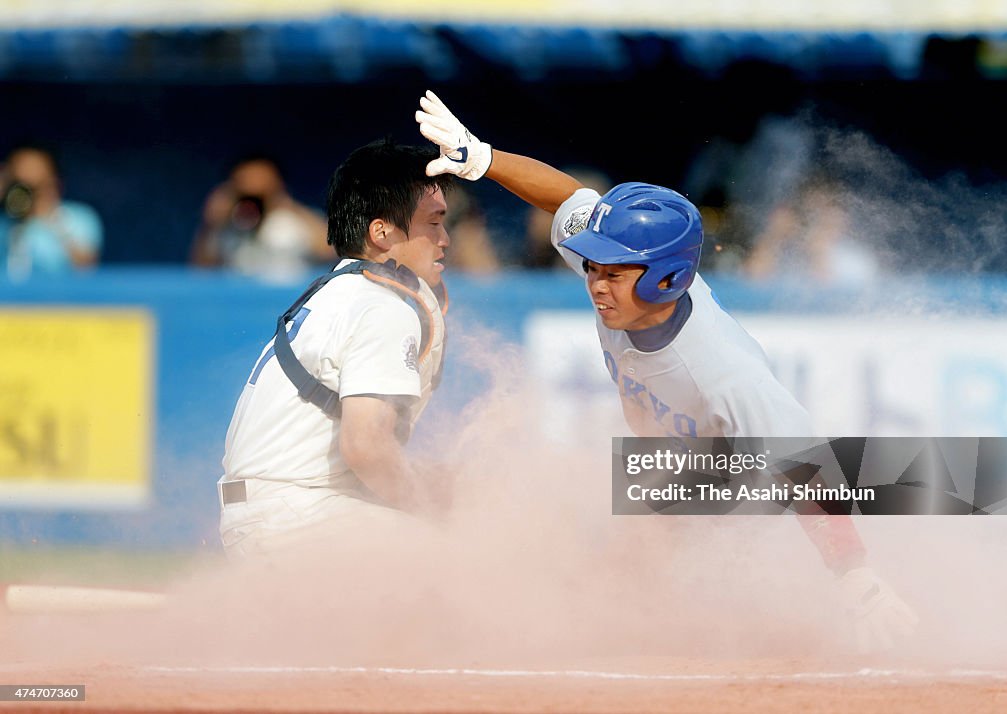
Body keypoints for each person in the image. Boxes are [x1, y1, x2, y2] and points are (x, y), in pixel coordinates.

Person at [415, 90, 917, 653]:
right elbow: (569, 200)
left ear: (665, 279)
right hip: (677, 458)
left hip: (744, 469)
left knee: (669, 571)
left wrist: (855, 577)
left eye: (613, 272)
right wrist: (482, 159)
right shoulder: (628, 278)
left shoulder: (724, 372)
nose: (594, 283)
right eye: (592, 267)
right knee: (618, 556)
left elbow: (808, 473)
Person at [217, 139, 454, 558]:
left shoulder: (343, 289)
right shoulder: (382, 305)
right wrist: (433, 508)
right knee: (469, 563)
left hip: (273, 513)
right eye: (433, 223)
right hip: (298, 518)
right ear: (381, 232)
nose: (446, 239)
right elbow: (366, 448)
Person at [191, 155, 335, 280]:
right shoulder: (226, 226)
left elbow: (331, 251)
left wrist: (287, 204)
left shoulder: (291, 222)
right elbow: (201, 271)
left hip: (289, 304)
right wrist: (210, 224)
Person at [744, 171, 880, 287]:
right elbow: (748, 287)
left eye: (824, 211)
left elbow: (829, 301)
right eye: (810, 213)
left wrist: (817, 252)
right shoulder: (786, 255)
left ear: (841, 216)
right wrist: (773, 236)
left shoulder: (856, 262)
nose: (816, 221)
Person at [0, 145, 103, 279]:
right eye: (19, 184)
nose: (26, 193)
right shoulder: (4, 223)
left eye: (36, 186)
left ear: (54, 181)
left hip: (58, 298)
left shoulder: (79, 217)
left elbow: (87, 267)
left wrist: (54, 219)